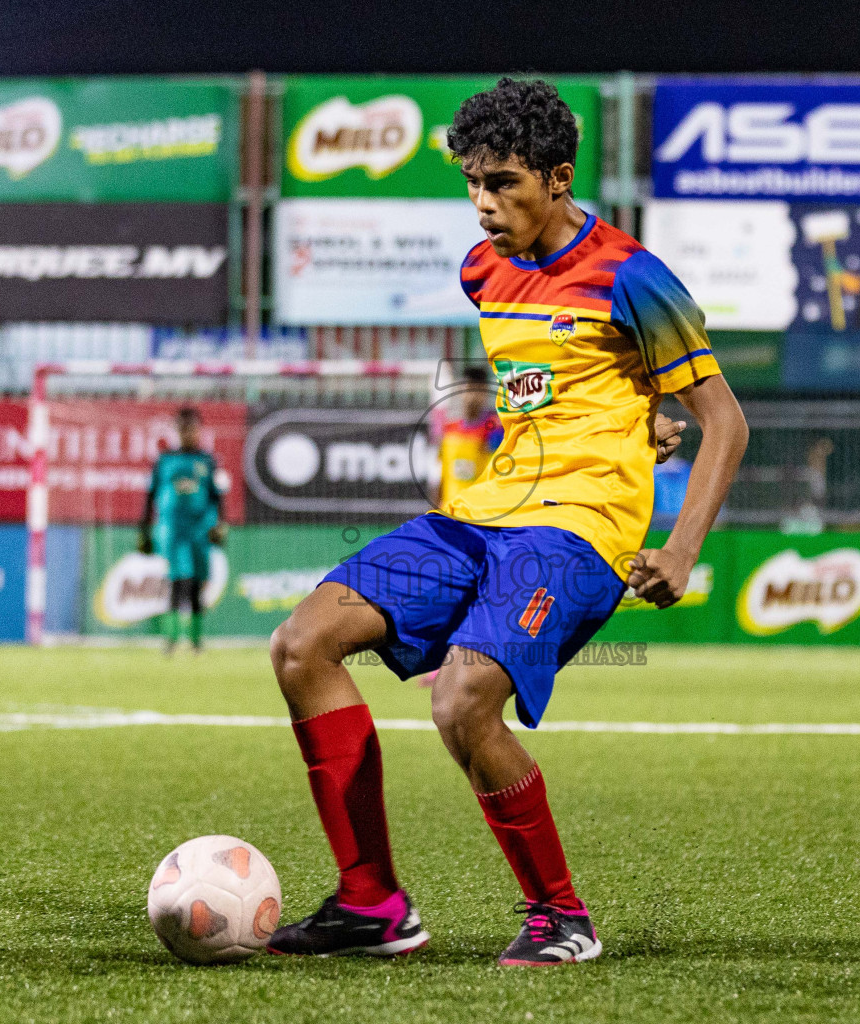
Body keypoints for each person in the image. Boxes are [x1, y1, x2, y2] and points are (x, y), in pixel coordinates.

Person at [264, 78, 747, 966]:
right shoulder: (483, 271)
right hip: (483, 514)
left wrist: (681, 549)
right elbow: (556, 384)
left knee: (461, 700)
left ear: (559, 179)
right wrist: (636, 412)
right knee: (301, 645)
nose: (483, 205)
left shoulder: (633, 275)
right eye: (473, 184)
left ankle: (561, 917)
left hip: (580, 531)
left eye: (504, 184)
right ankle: (371, 904)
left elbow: (726, 421)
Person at [138, 407, 226, 654]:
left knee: (197, 583)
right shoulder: (164, 460)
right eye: (183, 429)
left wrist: (220, 524)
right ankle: (171, 638)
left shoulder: (208, 461)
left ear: (199, 431)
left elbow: (217, 496)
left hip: (199, 529)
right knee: (178, 581)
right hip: (173, 530)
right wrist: (143, 529)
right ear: (176, 431)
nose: (188, 434)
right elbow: (150, 495)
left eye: (192, 429)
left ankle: (196, 640)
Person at [431, 365, 503, 509]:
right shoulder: (449, 428)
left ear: (485, 393)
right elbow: (440, 473)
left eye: (477, 390)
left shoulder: (494, 429)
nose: (472, 396)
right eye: (469, 388)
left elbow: (499, 474)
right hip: (449, 510)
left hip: (479, 510)